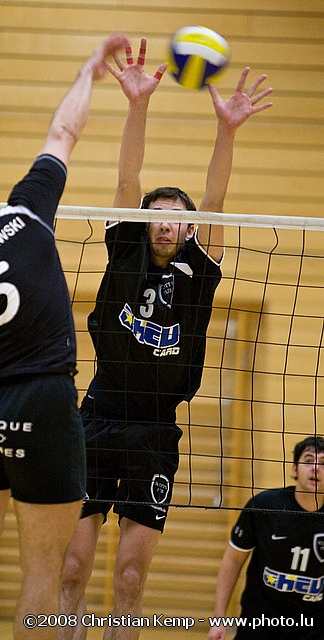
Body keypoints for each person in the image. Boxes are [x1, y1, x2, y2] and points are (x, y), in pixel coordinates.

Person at [59, 39, 274, 639]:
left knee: (129, 580)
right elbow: (127, 178)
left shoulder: (199, 271)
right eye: (156, 213)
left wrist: (227, 130)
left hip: (156, 429)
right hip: (97, 415)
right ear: (144, 221)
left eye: (176, 215)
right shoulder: (124, 251)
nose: (165, 221)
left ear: (187, 227)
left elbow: (216, 200)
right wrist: (138, 105)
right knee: (72, 569)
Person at [0, 32, 129, 640]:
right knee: (42, 569)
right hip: (46, 404)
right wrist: (89, 69)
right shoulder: (23, 212)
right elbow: (63, 133)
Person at [208, 436, 324, 640]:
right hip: (259, 625)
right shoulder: (264, 506)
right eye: (308, 461)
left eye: (323, 463)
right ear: (294, 469)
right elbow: (233, 560)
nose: (315, 468)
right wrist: (219, 619)